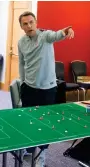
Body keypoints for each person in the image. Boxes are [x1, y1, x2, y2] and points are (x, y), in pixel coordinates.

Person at [18, 11, 74, 167]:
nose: (29, 26)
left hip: (48, 90)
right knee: (28, 121)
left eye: (31, 22)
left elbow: (56, 35)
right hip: (28, 88)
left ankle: (42, 154)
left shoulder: (45, 36)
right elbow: (21, 63)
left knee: (45, 124)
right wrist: (22, 82)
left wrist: (66, 31)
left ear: (36, 22)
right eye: (25, 23)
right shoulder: (21, 42)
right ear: (21, 26)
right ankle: (28, 151)